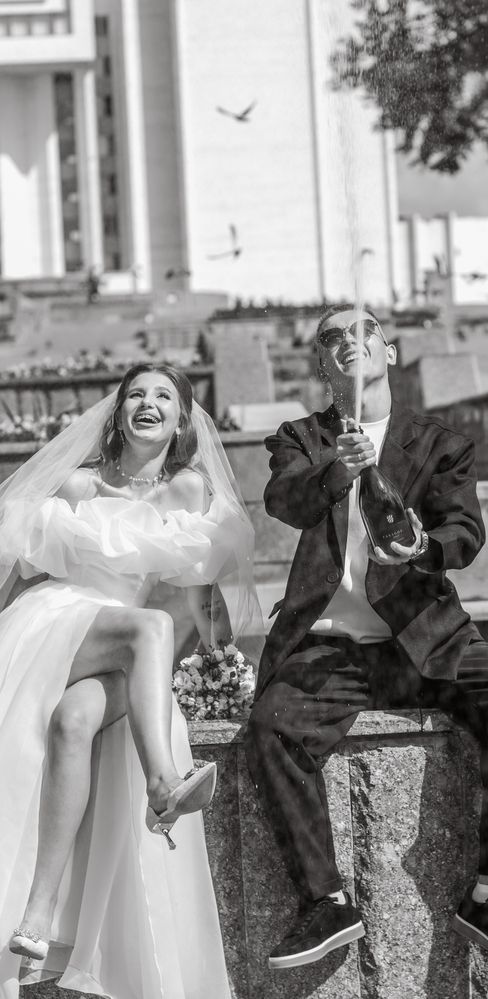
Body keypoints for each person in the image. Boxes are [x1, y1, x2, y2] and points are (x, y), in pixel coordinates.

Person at [245, 306, 488, 978]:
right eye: (331, 337)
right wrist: (337, 467)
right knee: (271, 727)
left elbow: (464, 532)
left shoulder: (440, 442)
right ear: (321, 364)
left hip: (427, 636)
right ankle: (325, 901)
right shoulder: (301, 438)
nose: (347, 342)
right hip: (332, 648)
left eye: (362, 331)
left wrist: (422, 545)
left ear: (388, 350)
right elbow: (285, 501)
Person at [0, 362, 260, 999]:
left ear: (181, 419)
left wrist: (224, 664)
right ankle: (163, 784)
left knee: (73, 722)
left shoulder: (190, 491)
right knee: (150, 626)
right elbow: (21, 565)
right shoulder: (80, 484)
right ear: (117, 414)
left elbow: (200, 598)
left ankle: (36, 918)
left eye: (163, 396)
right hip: (59, 622)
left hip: (123, 647)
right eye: (135, 394)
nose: (148, 403)